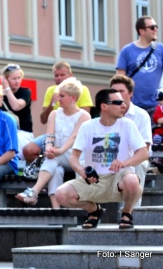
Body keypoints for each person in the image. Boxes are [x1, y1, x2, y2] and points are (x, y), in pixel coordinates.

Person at [55, 88, 148, 229]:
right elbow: (74, 157)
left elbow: (144, 153)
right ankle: (94, 210)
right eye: (118, 102)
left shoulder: (128, 124)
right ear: (104, 106)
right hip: (95, 180)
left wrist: (124, 163)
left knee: (132, 180)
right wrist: (81, 171)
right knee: (61, 194)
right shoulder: (88, 126)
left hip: (119, 177)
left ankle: (127, 213)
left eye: (123, 102)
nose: (124, 105)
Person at [16, 78, 91, 208]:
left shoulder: (84, 116)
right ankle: (56, 210)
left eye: (62, 96)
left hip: (78, 157)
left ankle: (34, 192)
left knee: (54, 159)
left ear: (73, 98)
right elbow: (50, 136)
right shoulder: (54, 114)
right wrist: (49, 149)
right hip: (59, 156)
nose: (58, 99)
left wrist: (59, 151)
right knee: (55, 169)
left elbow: (74, 137)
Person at [23, 61, 93, 163]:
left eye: (62, 75)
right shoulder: (51, 90)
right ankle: (40, 165)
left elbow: (85, 118)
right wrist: (52, 104)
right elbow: (43, 120)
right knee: (28, 150)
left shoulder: (82, 89)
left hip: (73, 135)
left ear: (70, 75)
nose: (59, 78)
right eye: (56, 75)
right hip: (54, 135)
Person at [110, 74, 152, 207]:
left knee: (138, 165)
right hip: (111, 157)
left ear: (130, 93)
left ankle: (131, 212)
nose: (117, 95)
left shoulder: (141, 115)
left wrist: (125, 162)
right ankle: (89, 212)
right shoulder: (106, 114)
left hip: (134, 158)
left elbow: (145, 148)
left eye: (121, 91)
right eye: (114, 91)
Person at [116, 15, 163, 117]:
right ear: (141, 31)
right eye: (152, 27)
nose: (155, 29)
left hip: (155, 106)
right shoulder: (127, 51)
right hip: (133, 106)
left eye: (156, 27)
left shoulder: (161, 49)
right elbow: (119, 79)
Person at [0, 64, 33, 160]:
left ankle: (19, 171)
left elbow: (16, 106)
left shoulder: (25, 92)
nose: (17, 81)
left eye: (19, 78)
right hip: (5, 133)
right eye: (14, 78)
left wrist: (7, 88)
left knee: (17, 144)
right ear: (5, 79)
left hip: (23, 133)